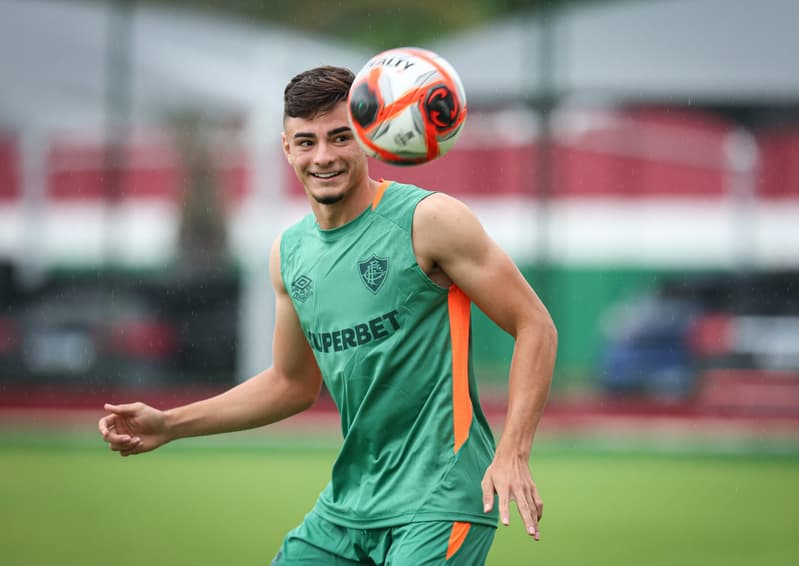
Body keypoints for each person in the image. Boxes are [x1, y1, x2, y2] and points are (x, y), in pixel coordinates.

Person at [98, 65, 557, 565]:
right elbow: (290, 384)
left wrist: (512, 450)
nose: (323, 156)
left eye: (340, 137)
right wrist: (169, 424)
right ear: (286, 148)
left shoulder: (431, 220)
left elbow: (535, 325)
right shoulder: (288, 253)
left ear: (366, 137)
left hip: (440, 501)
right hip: (346, 508)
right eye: (306, 141)